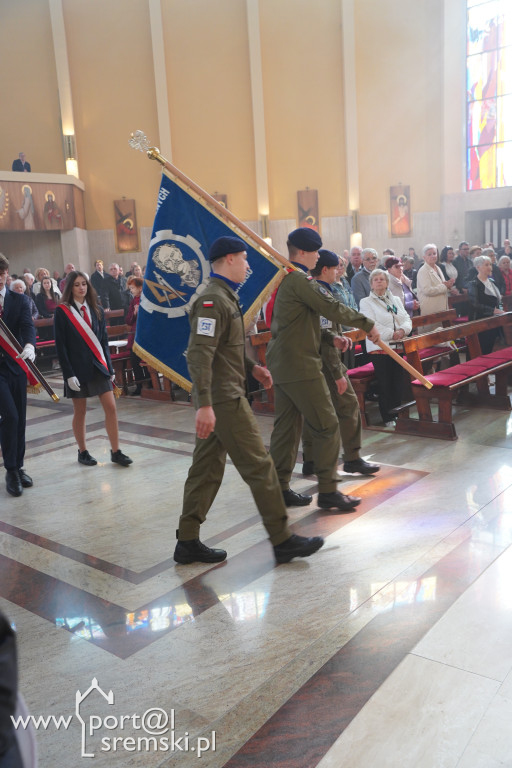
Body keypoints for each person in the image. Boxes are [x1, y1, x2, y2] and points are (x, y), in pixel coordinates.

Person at [174, 236, 324, 565]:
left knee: (206, 470)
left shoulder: (224, 297)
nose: (248, 266)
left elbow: (222, 350)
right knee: (260, 467)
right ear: (228, 260)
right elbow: (199, 354)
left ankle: (187, 540)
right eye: (243, 259)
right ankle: (282, 540)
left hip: (222, 395)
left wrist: (251, 367)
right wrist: (206, 405)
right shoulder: (213, 301)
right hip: (223, 400)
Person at [267, 228, 380, 513]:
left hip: (283, 362)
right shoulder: (300, 280)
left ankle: (279, 488)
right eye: (315, 252)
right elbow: (330, 307)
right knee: (327, 424)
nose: (318, 257)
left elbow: (303, 324)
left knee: (287, 429)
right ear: (303, 253)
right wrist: (366, 323)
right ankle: (329, 491)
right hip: (300, 365)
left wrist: (331, 338)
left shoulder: (289, 281)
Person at [302, 249, 380, 478]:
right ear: (326, 269)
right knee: (347, 405)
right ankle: (352, 458)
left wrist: (336, 337)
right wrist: (336, 371)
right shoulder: (320, 293)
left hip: (312, 361)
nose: (339, 271)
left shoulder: (311, 290)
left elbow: (324, 331)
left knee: (313, 411)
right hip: (325, 362)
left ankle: (310, 459)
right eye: (336, 267)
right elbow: (324, 332)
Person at [54, 271, 133, 467]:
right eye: (77, 285)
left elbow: (104, 341)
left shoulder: (96, 308)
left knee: (111, 407)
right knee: (80, 411)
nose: (81, 288)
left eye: (84, 284)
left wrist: (109, 364)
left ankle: (116, 451)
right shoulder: (62, 311)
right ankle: (83, 451)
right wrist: (68, 374)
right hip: (76, 369)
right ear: (69, 288)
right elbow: (61, 346)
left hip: (98, 365)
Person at [0, 254, 36, 497]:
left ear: (6, 274)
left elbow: (27, 326)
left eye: (1, 273)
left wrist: (30, 345)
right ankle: (11, 469)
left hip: (16, 365)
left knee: (20, 418)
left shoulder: (19, 299)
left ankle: (18, 465)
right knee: (10, 416)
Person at [359, 269, 412, 426]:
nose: (379, 281)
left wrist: (403, 331)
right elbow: (371, 324)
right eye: (376, 279)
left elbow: (406, 318)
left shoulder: (394, 299)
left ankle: (398, 413)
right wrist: (392, 334)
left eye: (382, 279)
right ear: (371, 284)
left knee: (397, 381)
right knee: (385, 383)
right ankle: (387, 417)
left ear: (387, 283)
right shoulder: (366, 302)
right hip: (380, 347)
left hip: (397, 346)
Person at [467, 255, 504, 354]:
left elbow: (498, 301)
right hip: (480, 322)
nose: (490, 267)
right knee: (481, 349)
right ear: (478, 267)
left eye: (490, 264)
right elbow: (475, 304)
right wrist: (492, 310)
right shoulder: (473, 284)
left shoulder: (492, 282)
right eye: (486, 265)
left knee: (490, 347)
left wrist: (499, 310)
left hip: (493, 321)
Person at [416, 243, 456, 328]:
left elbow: (442, 285)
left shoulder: (437, 267)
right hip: (431, 308)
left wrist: (448, 285)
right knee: (432, 335)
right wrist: (445, 286)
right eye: (429, 254)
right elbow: (427, 290)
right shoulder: (423, 271)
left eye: (434, 253)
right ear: (424, 257)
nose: (432, 256)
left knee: (444, 336)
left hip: (441, 307)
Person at [125, 276, 151, 396]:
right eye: (130, 288)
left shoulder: (147, 299)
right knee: (134, 360)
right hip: (134, 335)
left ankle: (150, 383)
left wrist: (142, 311)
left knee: (146, 360)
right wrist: (134, 313)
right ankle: (139, 385)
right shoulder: (133, 301)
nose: (131, 290)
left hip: (145, 334)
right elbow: (129, 320)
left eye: (133, 288)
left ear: (140, 288)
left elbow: (151, 317)